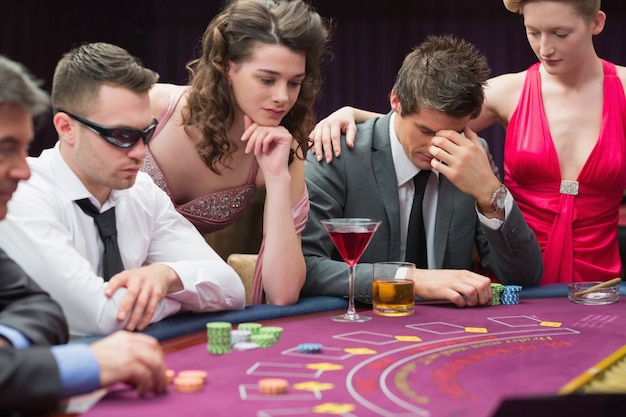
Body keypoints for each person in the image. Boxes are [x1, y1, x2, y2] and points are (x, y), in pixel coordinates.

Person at [310, 0, 626, 285]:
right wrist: (353, 114)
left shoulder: (621, 88)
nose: (545, 48)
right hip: (522, 279)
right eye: (533, 32)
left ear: (597, 23)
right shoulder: (508, 92)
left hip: (598, 273)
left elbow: (432, 121)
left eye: (560, 32)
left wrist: (490, 191)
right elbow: (427, 113)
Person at [0, 42, 246, 338]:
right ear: (66, 127)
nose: (141, 152)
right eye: (121, 135)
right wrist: (179, 301)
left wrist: (166, 276)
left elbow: (232, 289)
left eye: (146, 132)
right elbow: (101, 318)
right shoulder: (21, 192)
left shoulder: (142, 191)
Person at [301, 35, 543, 307]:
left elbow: (524, 275)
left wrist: (490, 191)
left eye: (452, 133)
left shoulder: (471, 159)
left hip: (450, 332)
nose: (435, 146)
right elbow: (306, 269)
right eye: (425, 130)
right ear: (396, 101)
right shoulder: (337, 153)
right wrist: (408, 277)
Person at [0, 54, 167, 415]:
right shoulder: (29, 200)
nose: (22, 170)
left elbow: (39, 308)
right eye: (5, 148)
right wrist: (86, 365)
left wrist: (6, 340)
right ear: (66, 128)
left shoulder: (143, 192)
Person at [142, 0, 331, 305]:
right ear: (228, 66)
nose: (282, 97)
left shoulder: (285, 152)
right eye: (267, 79)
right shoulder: (150, 107)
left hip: (179, 296)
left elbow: (283, 292)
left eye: (294, 83)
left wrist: (277, 178)